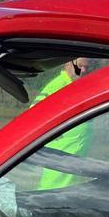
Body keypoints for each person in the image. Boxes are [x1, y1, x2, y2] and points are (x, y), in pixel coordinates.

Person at [33, 58, 93, 190]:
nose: (83, 71)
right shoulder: (57, 87)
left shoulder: (77, 86)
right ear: (67, 63)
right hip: (58, 165)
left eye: (87, 68)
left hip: (73, 165)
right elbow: (32, 117)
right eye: (80, 66)